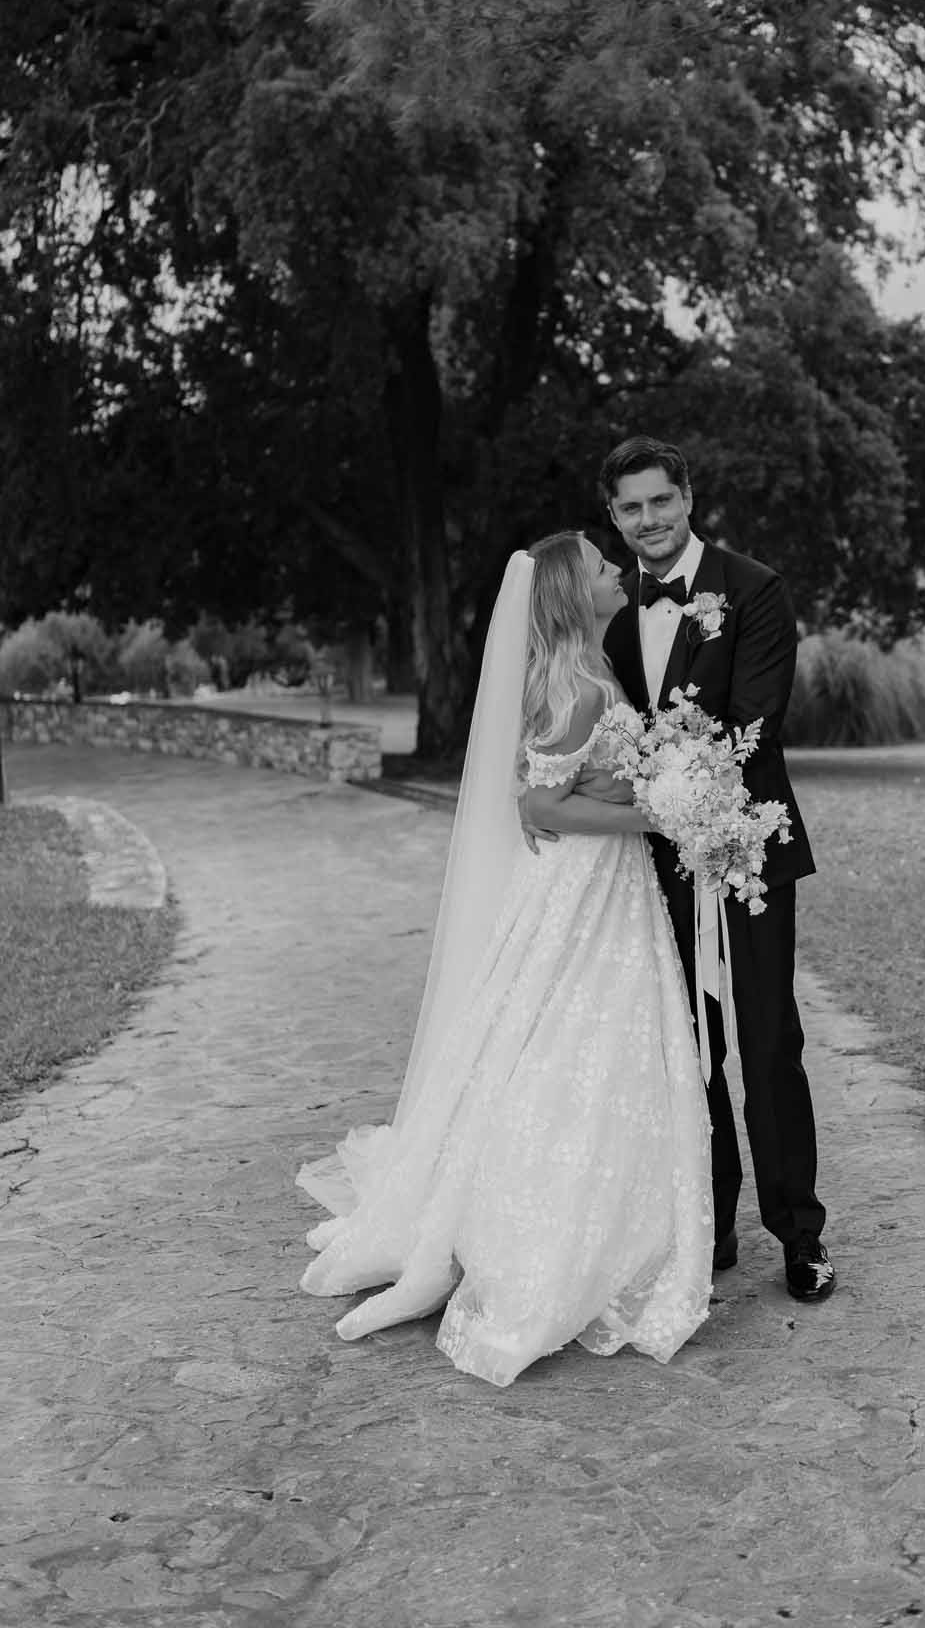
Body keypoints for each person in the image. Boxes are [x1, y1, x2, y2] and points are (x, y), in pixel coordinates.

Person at [297, 533, 713, 1387]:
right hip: (589, 888)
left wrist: (626, 790)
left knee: (560, 1041)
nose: (616, 569)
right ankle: (533, 1235)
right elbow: (541, 805)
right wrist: (657, 816)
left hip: (596, 885)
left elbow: (561, 789)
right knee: (572, 1046)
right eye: (601, 565)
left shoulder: (583, 674)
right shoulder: (582, 688)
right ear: (572, 593)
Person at [599, 435, 835, 1303]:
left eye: (661, 501)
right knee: (686, 1048)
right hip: (656, 866)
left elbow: (754, 724)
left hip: (746, 854)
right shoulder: (613, 612)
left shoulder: (754, 589)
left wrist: (672, 782)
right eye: (630, 508)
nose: (649, 521)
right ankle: (711, 1224)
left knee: (769, 1042)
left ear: (688, 498)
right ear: (613, 517)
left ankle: (800, 1238)